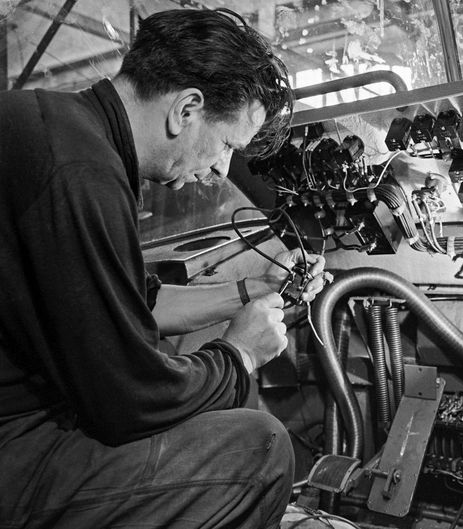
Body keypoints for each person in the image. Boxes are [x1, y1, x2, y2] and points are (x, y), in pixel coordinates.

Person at [0, 8, 329, 529]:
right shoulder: (81, 172)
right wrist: (239, 354)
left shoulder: (57, 127)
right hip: (12, 444)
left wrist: (253, 289)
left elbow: (136, 301)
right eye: (226, 146)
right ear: (186, 109)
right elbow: (129, 400)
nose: (221, 170)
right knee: (261, 448)